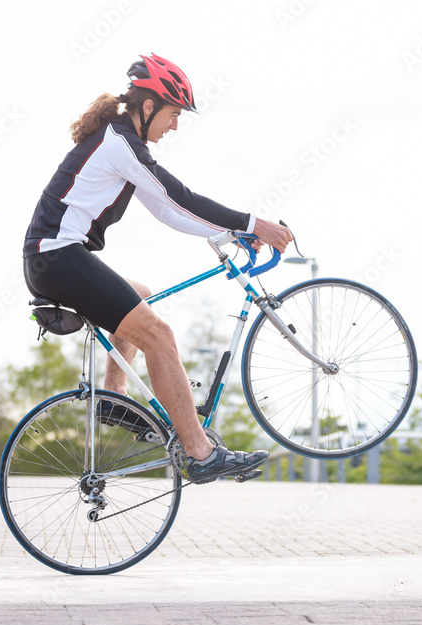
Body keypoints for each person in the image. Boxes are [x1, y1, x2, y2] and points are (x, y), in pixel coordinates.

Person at [22, 53, 293, 484]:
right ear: (148, 106)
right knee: (160, 337)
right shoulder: (119, 144)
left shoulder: (122, 143)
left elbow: (167, 211)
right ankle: (201, 453)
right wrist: (251, 223)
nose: (175, 126)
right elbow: (179, 197)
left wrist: (231, 233)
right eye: (173, 114)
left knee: (141, 295)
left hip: (55, 258)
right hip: (59, 258)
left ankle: (113, 397)